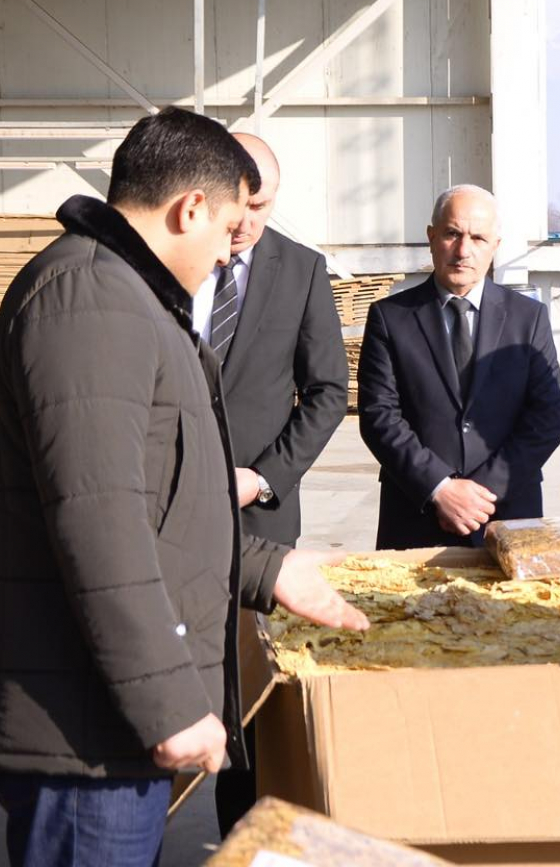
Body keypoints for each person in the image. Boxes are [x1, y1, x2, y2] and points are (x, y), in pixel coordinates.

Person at [0, 107, 367, 867]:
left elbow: (158, 501)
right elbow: (101, 527)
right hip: (83, 732)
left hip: (105, 715)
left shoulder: (124, 294)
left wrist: (266, 567)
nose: (229, 252)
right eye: (229, 230)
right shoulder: (90, 301)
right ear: (191, 208)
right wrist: (172, 706)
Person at [192, 133, 349, 836]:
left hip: (259, 515)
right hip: (167, 504)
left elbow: (327, 391)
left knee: (249, 687)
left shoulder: (301, 270)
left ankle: (242, 830)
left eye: (264, 205)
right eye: (241, 204)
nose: (249, 221)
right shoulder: (175, 262)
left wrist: (263, 478)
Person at [357, 184, 560, 549]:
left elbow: (547, 418)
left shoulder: (528, 318)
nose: (463, 250)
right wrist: (439, 488)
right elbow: (379, 416)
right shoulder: (390, 318)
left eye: (478, 238)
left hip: (507, 514)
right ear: (431, 236)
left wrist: (480, 493)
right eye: (452, 234)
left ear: (495, 246)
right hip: (416, 514)